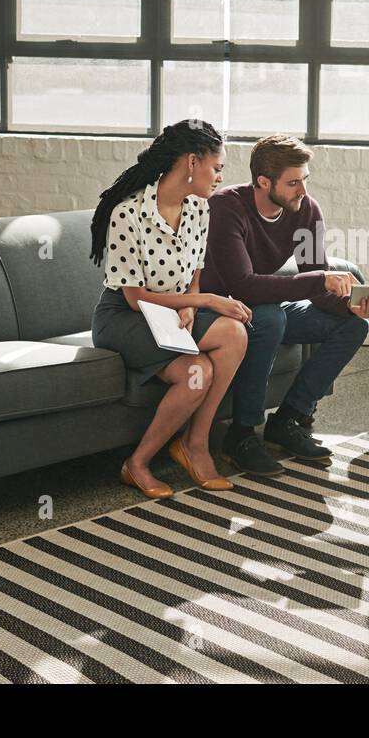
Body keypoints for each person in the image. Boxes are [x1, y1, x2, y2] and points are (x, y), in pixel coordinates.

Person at [201, 134, 369, 476]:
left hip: (260, 306)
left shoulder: (305, 209)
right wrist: (321, 280)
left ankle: (288, 420)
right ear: (263, 181)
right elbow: (241, 284)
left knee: (352, 326)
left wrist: (350, 305)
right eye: (292, 183)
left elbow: (315, 284)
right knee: (271, 319)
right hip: (219, 309)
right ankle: (241, 435)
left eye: (304, 180)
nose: (302, 190)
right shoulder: (226, 208)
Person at [89, 120, 253, 500]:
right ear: (193, 163)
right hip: (125, 318)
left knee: (201, 368)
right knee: (228, 331)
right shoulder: (128, 214)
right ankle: (142, 464)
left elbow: (193, 275)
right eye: (217, 167)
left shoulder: (199, 210)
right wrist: (206, 301)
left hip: (173, 313)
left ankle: (191, 445)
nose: (219, 177)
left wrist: (193, 305)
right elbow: (135, 298)